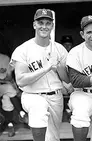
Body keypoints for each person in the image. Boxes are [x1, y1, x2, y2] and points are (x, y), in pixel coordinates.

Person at [10, 8, 72, 141]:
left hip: (55, 96)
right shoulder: (23, 49)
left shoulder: (59, 49)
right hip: (32, 95)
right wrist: (46, 68)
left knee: (53, 137)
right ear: (34, 25)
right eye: (40, 22)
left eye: (48, 23)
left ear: (52, 26)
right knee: (39, 109)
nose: (44, 26)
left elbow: (67, 79)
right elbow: (20, 80)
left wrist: (59, 66)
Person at [0, 53, 27, 137]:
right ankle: (20, 113)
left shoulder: (4, 58)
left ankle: (11, 123)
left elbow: (8, 77)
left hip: (3, 85)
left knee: (8, 94)